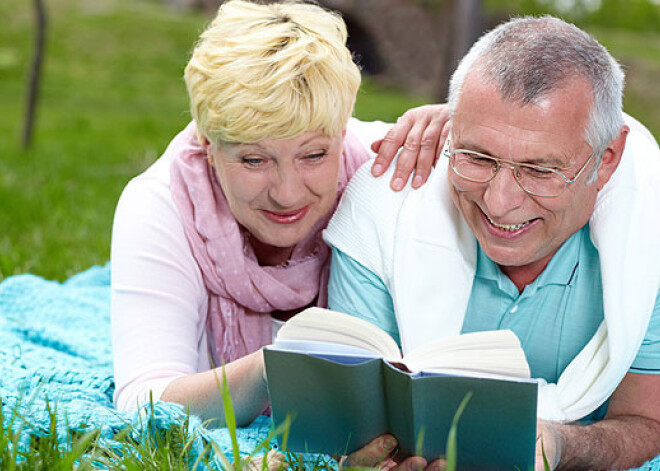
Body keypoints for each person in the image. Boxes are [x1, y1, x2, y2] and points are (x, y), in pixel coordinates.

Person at [326, 16, 660, 471]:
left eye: (541, 171)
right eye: (477, 158)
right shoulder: (385, 207)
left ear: (607, 161)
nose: (500, 204)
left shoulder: (648, 236)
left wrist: (558, 448)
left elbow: (646, 421)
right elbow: (354, 415)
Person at [110, 0, 448, 427]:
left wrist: (465, 128)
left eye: (314, 155)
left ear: (343, 132)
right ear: (209, 147)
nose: (287, 194)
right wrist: (278, 367)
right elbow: (145, 404)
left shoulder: (385, 165)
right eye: (254, 160)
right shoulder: (160, 206)